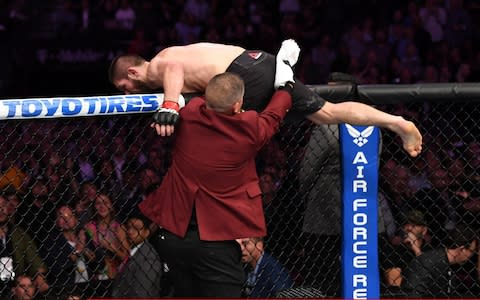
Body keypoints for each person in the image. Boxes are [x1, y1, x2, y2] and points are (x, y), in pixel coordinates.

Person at [138, 57, 296, 297]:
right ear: (237, 105)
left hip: (171, 237)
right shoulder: (249, 130)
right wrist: (286, 86)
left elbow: (179, 72)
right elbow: (274, 115)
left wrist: (170, 104)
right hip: (214, 243)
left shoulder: (189, 114)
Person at [108, 40, 422, 157]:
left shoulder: (162, 62)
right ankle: (397, 122)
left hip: (246, 74)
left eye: (124, 87)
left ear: (133, 74)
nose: (127, 93)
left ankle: (284, 75)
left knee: (230, 135)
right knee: (327, 114)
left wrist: (170, 105)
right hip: (256, 63)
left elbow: (173, 70)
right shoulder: (168, 63)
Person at [402, 225, 478, 298]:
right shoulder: (428, 262)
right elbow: (412, 294)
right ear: (461, 249)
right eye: (471, 251)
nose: (471, 256)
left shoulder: (449, 266)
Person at [0, 194, 49, 298]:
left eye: (3, 205)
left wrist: (39, 275)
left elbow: (33, 256)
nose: (1, 209)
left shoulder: (18, 232)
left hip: (15, 283)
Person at [111, 214, 163, 298]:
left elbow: (143, 293)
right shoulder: (135, 252)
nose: (130, 232)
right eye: (128, 227)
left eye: (136, 228)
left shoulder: (148, 258)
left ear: (146, 232)